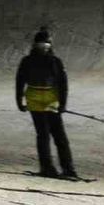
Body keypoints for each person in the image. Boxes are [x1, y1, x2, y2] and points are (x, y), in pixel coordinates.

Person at [15, 29, 77, 179]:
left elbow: (62, 84)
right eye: (41, 44)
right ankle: (50, 168)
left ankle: (66, 169)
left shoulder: (53, 61)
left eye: (46, 44)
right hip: (37, 101)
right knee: (46, 135)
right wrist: (19, 100)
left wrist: (62, 103)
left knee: (57, 136)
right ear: (35, 44)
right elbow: (20, 81)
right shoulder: (29, 61)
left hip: (49, 102)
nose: (43, 46)